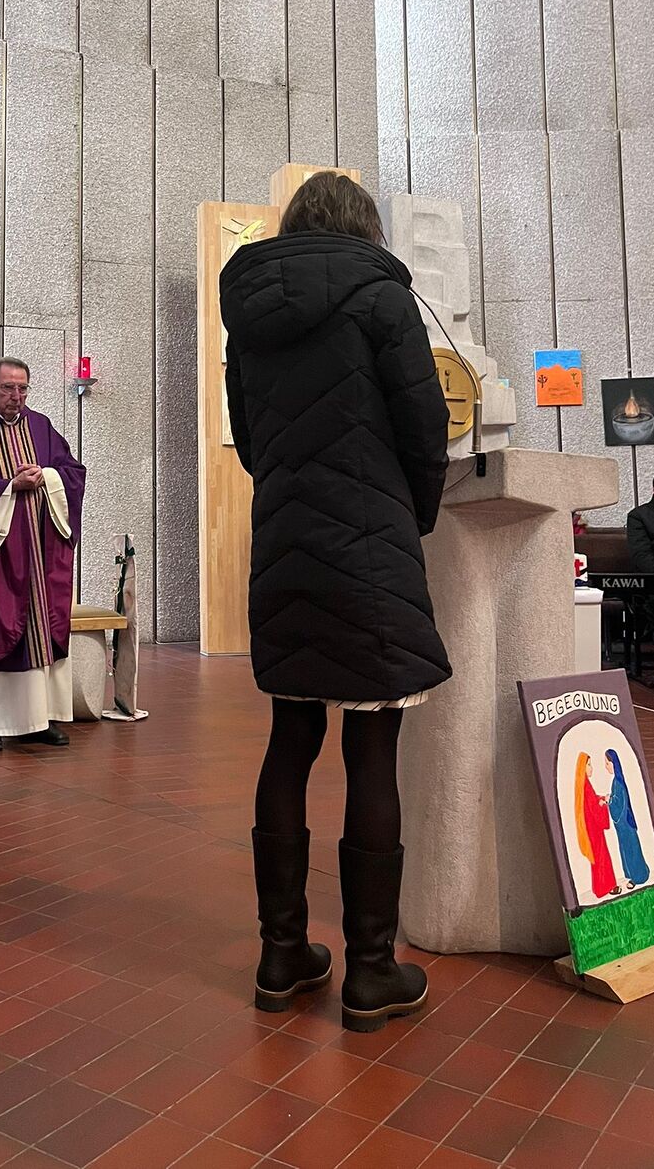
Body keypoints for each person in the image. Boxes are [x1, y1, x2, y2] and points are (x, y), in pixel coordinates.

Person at [220, 171, 451, 1034]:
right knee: (372, 745)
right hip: (367, 542)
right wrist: (407, 513)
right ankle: (371, 971)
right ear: (365, 228)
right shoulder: (382, 299)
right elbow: (424, 426)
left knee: (289, 738)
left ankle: (281, 956)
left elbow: (249, 439)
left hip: (285, 542)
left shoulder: (248, 313)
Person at [0, 360, 86, 753]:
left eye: (23, 388)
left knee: (40, 630)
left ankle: (38, 721)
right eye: (8, 388)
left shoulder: (41, 426)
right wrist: (10, 486)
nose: (16, 396)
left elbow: (72, 471)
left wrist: (47, 476)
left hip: (40, 555)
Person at [574, 754, 620, 900]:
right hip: (593, 829)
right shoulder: (585, 786)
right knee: (600, 857)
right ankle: (604, 887)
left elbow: (592, 802)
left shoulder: (584, 785)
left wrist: (600, 799)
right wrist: (603, 803)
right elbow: (593, 807)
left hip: (591, 828)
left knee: (599, 857)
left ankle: (603, 886)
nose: (591, 768)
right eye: (588, 765)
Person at [605, 749, 650, 889]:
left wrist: (609, 800)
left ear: (614, 764)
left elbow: (620, 804)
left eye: (607, 763)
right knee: (626, 849)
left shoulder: (618, 783)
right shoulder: (616, 781)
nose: (606, 767)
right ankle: (632, 875)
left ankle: (639, 876)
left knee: (631, 849)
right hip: (622, 825)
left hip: (625, 823)